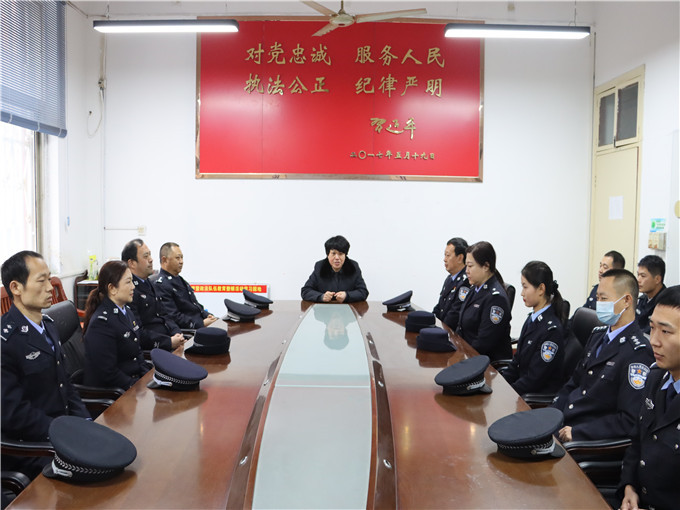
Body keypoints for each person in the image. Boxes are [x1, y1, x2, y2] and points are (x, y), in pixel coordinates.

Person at [1, 251, 90, 479]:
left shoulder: (48, 326)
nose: (50, 288)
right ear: (16, 287)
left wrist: (86, 422)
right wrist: (64, 432)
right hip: (33, 446)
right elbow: (14, 414)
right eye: (41, 281)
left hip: (63, 432)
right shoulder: (6, 341)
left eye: (49, 279)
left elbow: (65, 384)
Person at [553, 269, 654, 442]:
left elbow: (628, 420)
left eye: (604, 298)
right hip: (564, 421)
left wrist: (578, 432)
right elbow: (574, 383)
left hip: (586, 438)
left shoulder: (638, 352)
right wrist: (553, 412)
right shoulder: (597, 335)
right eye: (598, 298)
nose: (598, 304)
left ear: (626, 301)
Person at [619, 285, 680, 510]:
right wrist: (629, 487)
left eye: (665, 332)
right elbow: (637, 442)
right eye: (652, 328)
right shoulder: (656, 377)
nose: (654, 340)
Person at [83, 260, 150, 390]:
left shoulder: (126, 311)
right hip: (115, 392)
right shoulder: (101, 323)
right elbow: (108, 373)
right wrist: (136, 387)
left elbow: (137, 353)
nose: (133, 287)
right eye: (128, 282)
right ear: (112, 288)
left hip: (133, 382)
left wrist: (148, 378)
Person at [502, 261, 566, 394]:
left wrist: (507, 393)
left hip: (534, 397)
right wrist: (500, 384)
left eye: (525, 287)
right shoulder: (532, 318)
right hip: (521, 388)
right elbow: (516, 362)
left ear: (541, 289)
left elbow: (534, 380)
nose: (522, 293)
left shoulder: (551, 331)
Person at [122, 239, 186, 351]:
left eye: (150, 255)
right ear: (132, 263)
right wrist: (168, 342)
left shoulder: (149, 283)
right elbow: (138, 333)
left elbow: (165, 315)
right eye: (146, 256)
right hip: (155, 349)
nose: (151, 259)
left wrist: (178, 333)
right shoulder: (129, 291)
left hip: (170, 342)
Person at [456, 241, 512, 361]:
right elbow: (460, 327)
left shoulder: (496, 299)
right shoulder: (474, 289)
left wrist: (461, 358)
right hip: (467, 355)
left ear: (486, 266)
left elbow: (483, 343)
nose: (466, 270)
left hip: (485, 363)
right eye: (466, 266)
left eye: (470, 266)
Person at [153, 242, 217, 329]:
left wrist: (207, 315)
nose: (181, 262)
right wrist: (201, 323)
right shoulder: (162, 285)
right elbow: (173, 316)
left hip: (200, 325)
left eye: (182, 258)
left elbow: (195, 306)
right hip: (190, 330)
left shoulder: (179, 279)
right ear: (164, 260)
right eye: (177, 258)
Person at [301, 235, 369, 303]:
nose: (337, 258)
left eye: (340, 254)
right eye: (333, 253)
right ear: (328, 255)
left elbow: (363, 292)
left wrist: (347, 296)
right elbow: (305, 291)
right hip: (324, 308)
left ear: (345, 255)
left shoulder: (353, 267)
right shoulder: (320, 267)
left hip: (346, 308)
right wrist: (321, 296)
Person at [432, 237, 470, 331]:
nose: (444, 259)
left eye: (448, 255)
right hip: (441, 329)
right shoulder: (450, 278)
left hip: (452, 334)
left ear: (460, 258)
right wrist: (429, 321)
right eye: (444, 255)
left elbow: (454, 315)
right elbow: (439, 307)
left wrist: (437, 330)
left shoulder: (466, 282)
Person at [636, 254, 666, 334]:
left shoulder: (665, 304)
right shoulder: (642, 299)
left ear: (657, 279)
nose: (638, 280)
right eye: (638, 275)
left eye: (643, 276)